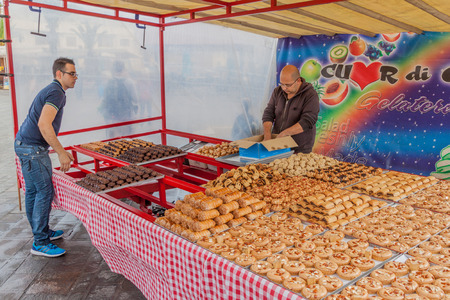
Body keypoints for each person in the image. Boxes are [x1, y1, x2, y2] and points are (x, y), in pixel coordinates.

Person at [14, 57, 77, 257]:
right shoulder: (56, 92)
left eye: (76, 74)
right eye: (72, 73)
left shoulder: (53, 91)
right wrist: (60, 152)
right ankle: (40, 242)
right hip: (32, 148)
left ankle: (41, 233)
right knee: (44, 192)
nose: (76, 77)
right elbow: (44, 124)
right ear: (59, 74)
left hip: (25, 145)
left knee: (33, 191)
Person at [262, 64, 320, 153]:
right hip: (277, 145)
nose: (284, 88)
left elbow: (308, 121)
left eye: (288, 85)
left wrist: (285, 133)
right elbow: (268, 112)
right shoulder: (277, 91)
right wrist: (267, 135)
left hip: (300, 149)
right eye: (282, 84)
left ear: (298, 80)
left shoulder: (310, 95)